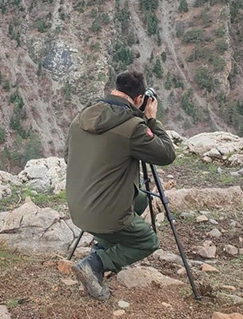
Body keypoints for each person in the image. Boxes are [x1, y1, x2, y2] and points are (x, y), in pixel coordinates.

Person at [65, 70, 176, 300]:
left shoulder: (83, 115)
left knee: (142, 198)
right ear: (138, 99)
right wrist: (152, 119)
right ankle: (96, 263)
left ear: (115, 90)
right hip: (103, 213)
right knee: (147, 240)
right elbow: (166, 154)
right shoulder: (132, 127)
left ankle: (101, 244)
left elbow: (68, 156)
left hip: (77, 206)